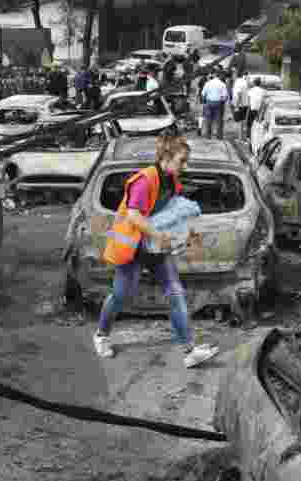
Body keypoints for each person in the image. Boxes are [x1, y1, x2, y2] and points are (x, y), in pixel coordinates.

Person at [94, 133, 220, 367]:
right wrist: (158, 235)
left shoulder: (172, 180)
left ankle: (189, 350)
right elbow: (133, 215)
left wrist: (186, 235)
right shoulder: (145, 180)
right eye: (181, 160)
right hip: (133, 249)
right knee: (121, 296)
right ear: (166, 157)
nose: (185, 165)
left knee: (175, 293)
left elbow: (171, 213)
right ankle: (101, 335)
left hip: (156, 249)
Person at [200, 69, 229, 139]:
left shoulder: (208, 83)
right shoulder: (222, 84)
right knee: (219, 120)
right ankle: (219, 136)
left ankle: (208, 135)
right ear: (220, 76)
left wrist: (204, 102)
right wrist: (222, 102)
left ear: (214, 76)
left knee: (208, 119)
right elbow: (225, 97)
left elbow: (203, 94)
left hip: (209, 102)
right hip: (218, 103)